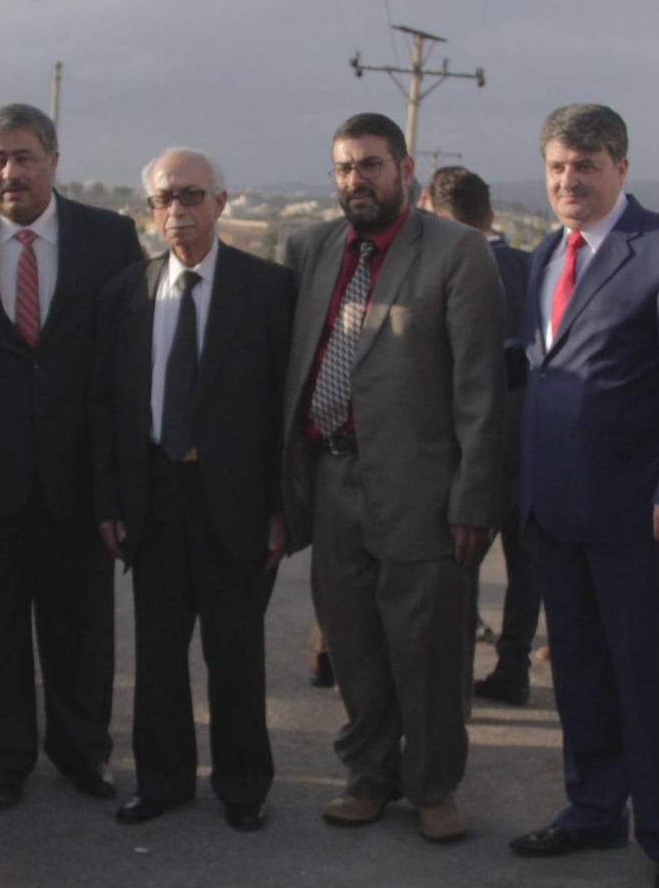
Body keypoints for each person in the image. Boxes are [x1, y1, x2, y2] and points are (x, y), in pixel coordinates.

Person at [0, 104, 142, 810]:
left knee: (81, 628)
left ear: (53, 161)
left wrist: (119, 475)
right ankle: (0, 757)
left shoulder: (109, 238)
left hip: (78, 477)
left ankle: (83, 751)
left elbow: (128, 359)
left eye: (24, 157)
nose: (11, 172)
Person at [505, 105, 659, 888]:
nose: (569, 181)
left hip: (640, 519)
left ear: (621, 168)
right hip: (558, 511)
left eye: (586, 166)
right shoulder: (546, 253)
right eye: (558, 167)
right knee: (583, 679)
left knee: (655, 684)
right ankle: (593, 809)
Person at [282, 112, 505, 844]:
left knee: (428, 649)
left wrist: (474, 498)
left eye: (371, 165)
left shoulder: (457, 251)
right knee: (352, 641)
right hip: (331, 476)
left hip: (423, 491)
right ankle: (368, 777)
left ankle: (433, 788)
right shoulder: (310, 248)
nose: (357, 180)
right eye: (345, 167)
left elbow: (480, 388)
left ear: (406, 169)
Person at [94, 148, 294, 832]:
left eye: (190, 195)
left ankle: (243, 786)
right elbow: (107, 407)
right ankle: (163, 780)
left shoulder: (266, 289)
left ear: (220, 202)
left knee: (234, 654)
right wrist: (110, 502)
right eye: (163, 199)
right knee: (157, 654)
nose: (176, 209)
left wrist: (280, 509)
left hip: (235, 501)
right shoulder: (127, 293)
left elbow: (283, 409)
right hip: (154, 494)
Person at [421, 165, 540, 706]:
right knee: (526, 563)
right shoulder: (531, 266)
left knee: (459, 560)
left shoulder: (448, 267)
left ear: (434, 210)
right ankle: (513, 666)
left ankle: (453, 677)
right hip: (529, 437)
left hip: (469, 442)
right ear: (490, 212)